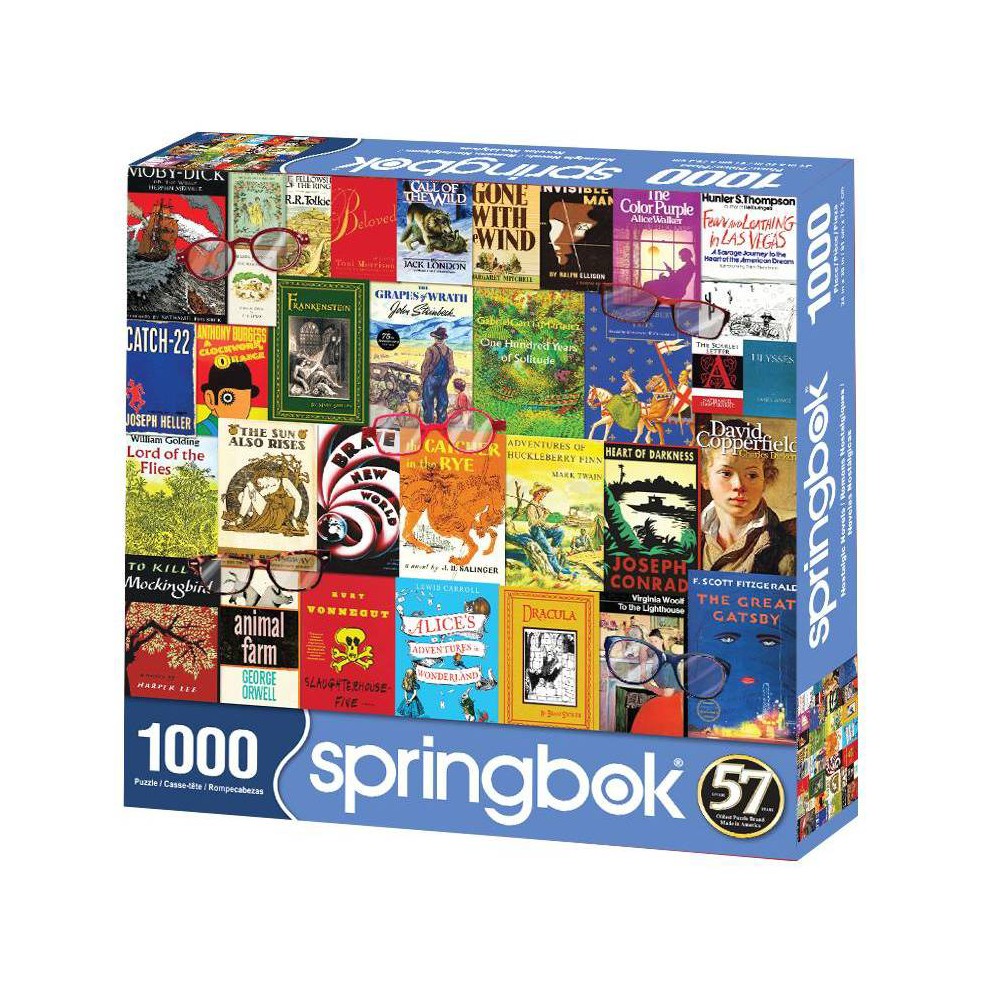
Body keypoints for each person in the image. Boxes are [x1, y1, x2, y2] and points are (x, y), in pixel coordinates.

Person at [699, 420, 795, 575]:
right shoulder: (688, 533)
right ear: (704, 478)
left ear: (765, 480)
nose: (738, 485)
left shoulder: (785, 550)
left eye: (752, 475)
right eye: (726, 473)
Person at [197, 359, 260, 435]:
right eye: (228, 398)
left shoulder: (242, 432)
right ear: (210, 400)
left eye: (244, 400)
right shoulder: (201, 431)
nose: (239, 408)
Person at [524, 483, 574, 578]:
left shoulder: (540, 505)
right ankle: (558, 570)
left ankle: (554, 548)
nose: (545, 495)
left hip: (543, 530)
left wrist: (551, 527)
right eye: (544, 493)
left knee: (560, 531)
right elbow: (533, 523)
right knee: (549, 552)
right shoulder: (531, 506)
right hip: (536, 531)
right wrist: (545, 515)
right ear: (538, 493)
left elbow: (542, 523)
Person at [419, 326, 455, 423]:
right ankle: (441, 422)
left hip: (431, 379)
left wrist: (423, 379)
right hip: (443, 380)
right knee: (442, 401)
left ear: (435, 338)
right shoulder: (449, 351)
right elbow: (451, 368)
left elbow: (425, 366)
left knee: (428, 401)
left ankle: (428, 422)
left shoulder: (431, 349)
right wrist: (447, 378)